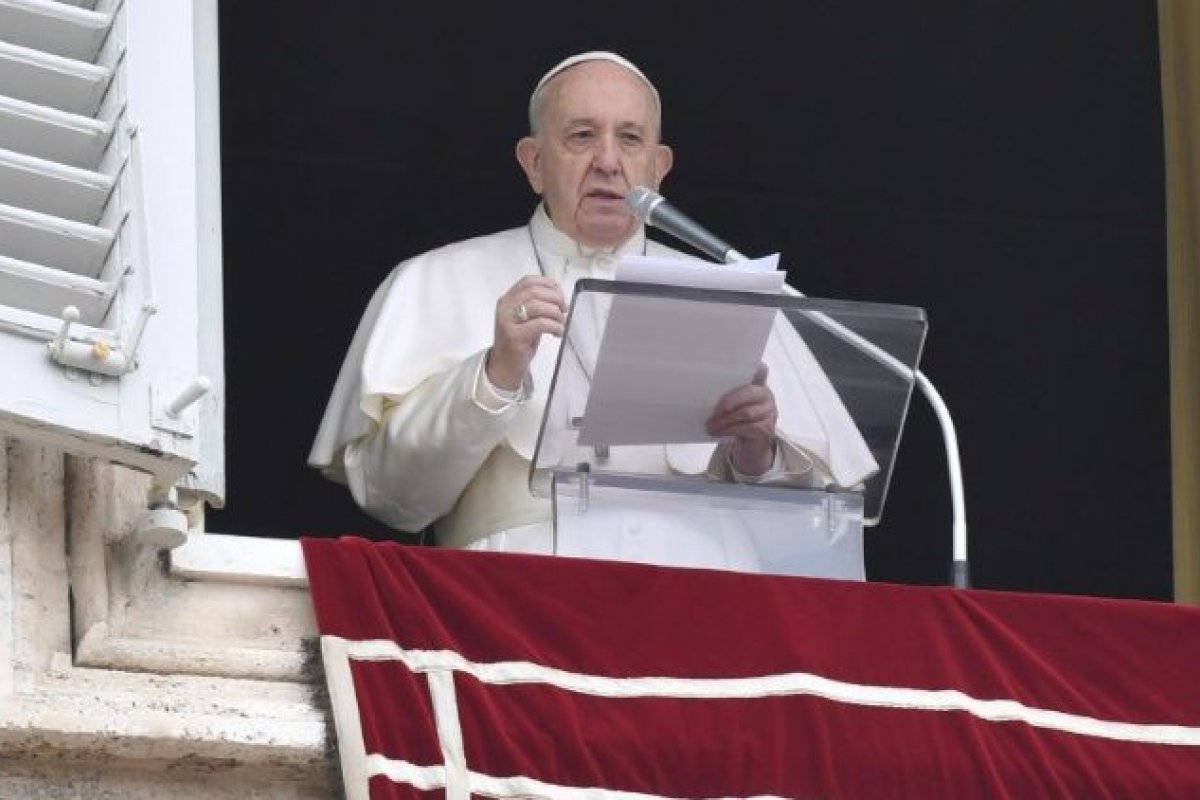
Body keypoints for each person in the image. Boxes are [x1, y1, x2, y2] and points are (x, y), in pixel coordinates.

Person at [309, 51, 878, 574]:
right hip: (509, 613)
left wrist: (760, 453)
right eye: (581, 136)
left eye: (629, 140)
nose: (608, 161)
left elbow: (818, 539)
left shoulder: (732, 292)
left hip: (707, 615)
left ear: (658, 167)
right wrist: (492, 376)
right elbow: (391, 496)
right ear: (533, 163)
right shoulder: (436, 279)